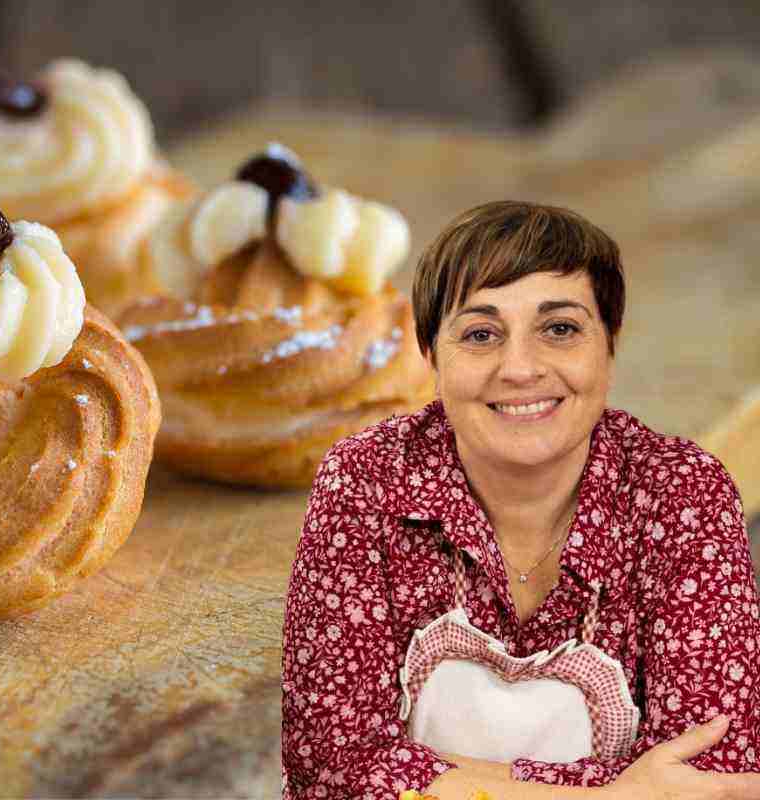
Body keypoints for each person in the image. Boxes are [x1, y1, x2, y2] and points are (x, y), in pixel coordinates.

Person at [281, 201, 760, 799]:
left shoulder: (682, 491)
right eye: (481, 334)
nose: (520, 368)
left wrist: (423, 776)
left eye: (559, 329)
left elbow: (713, 777)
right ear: (431, 356)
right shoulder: (365, 480)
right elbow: (328, 768)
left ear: (609, 346)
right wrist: (614, 797)